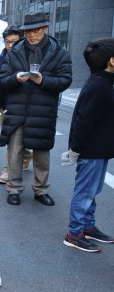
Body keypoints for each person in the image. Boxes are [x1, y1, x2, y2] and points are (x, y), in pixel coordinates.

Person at [0, 12, 72, 206]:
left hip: (43, 109)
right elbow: (2, 79)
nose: (32, 34)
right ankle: (13, 189)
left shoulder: (58, 51)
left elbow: (66, 80)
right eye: (28, 31)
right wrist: (15, 78)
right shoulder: (14, 51)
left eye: (36, 30)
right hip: (18, 108)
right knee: (15, 152)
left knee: (42, 152)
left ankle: (41, 190)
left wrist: (44, 80)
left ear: (45, 28)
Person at [62, 38, 114, 252]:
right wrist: (75, 149)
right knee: (84, 193)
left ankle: (87, 227)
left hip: (99, 149)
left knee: (92, 191)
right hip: (91, 150)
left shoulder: (103, 82)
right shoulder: (99, 85)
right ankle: (74, 234)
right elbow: (83, 121)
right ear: (112, 61)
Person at [0, 24, 32, 184]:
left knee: (13, 137)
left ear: (21, 40)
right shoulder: (4, 53)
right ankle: (26, 156)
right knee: (10, 135)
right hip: (5, 101)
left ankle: (9, 170)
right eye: (6, 42)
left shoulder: (27, 56)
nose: (8, 46)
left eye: (12, 42)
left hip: (21, 102)